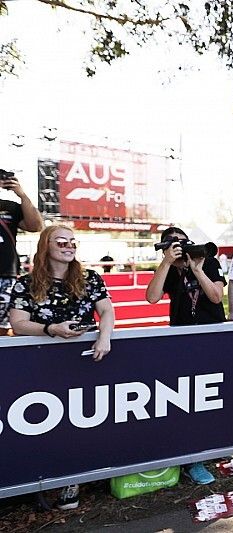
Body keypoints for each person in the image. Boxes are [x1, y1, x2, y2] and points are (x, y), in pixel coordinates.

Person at [9, 225, 114, 510]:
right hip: (40, 362)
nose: (69, 246)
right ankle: (40, 480)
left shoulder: (90, 278)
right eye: (61, 242)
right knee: (45, 421)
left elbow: (106, 310)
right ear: (46, 246)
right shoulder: (25, 283)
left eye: (72, 242)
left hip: (84, 361)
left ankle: (73, 480)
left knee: (81, 419)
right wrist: (51, 328)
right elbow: (18, 324)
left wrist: (104, 337)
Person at [145, 226, 226, 484]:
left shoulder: (208, 262)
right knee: (187, 399)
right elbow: (152, 297)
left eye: (183, 242)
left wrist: (198, 269)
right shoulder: (168, 268)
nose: (180, 247)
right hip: (182, 342)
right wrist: (167, 262)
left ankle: (212, 447)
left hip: (211, 339)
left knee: (212, 397)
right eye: (173, 244)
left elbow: (215, 297)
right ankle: (193, 459)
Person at [1, 169, 44, 335]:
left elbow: (36, 226)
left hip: (5, 274)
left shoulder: (9, 207)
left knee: (3, 329)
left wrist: (22, 195)